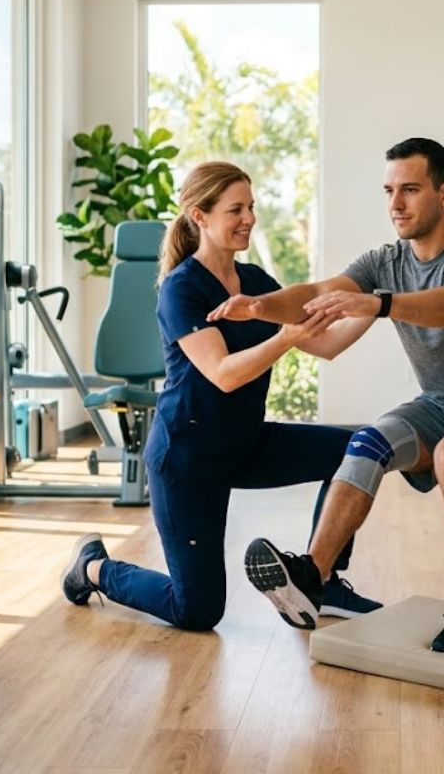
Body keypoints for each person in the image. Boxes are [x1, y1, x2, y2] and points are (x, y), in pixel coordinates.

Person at [210, 138, 444, 651]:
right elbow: (313, 294)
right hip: (440, 405)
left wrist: (378, 303)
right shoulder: (384, 260)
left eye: (410, 190)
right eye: (390, 190)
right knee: (368, 441)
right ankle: (312, 575)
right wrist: (260, 307)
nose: (395, 204)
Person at [60, 161, 381, 631]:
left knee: (355, 451)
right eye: (236, 209)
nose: (248, 218)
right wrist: (285, 338)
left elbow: (327, 345)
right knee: (198, 610)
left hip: (245, 444)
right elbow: (223, 375)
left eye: (251, 207)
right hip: (187, 460)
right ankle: (92, 568)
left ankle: (322, 579)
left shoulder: (256, 284)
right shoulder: (181, 289)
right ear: (200, 216)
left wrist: (378, 303)